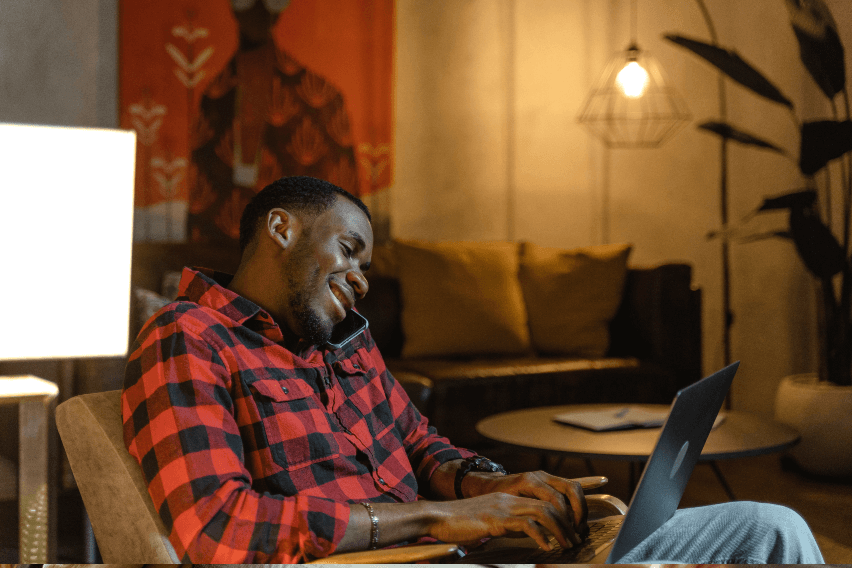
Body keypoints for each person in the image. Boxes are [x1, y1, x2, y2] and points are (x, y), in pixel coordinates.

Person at [122, 176, 824, 564]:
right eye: (350, 249)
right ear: (282, 228)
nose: (361, 278)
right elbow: (218, 528)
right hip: (399, 560)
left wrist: (495, 486)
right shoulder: (189, 337)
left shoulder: (346, 343)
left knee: (774, 528)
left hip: (477, 550)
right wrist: (446, 517)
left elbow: (422, 445)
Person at [189, 0, 358, 243]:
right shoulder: (214, 99)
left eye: (265, 5)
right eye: (248, 4)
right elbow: (203, 201)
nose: (257, 14)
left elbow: (342, 207)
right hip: (228, 249)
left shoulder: (321, 98)